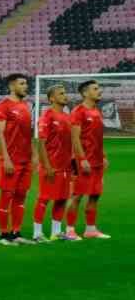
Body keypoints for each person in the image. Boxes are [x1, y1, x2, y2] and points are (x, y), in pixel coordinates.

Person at [0, 73, 34, 245]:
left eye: (26, 83)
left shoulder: (25, 105)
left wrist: (34, 154)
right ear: (11, 86)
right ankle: (3, 234)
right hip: (11, 159)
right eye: (22, 83)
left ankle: (16, 232)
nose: (26, 86)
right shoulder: (3, 106)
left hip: (26, 159)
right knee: (7, 195)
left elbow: (27, 134)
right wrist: (6, 158)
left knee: (21, 195)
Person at [67, 79, 110, 239]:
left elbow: (97, 138)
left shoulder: (97, 111)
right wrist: (82, 158)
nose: (100, 91)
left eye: (99, 88)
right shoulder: (78, 111)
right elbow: (75, 138)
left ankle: (90, 230)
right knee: (77, 195)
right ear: (85, 93)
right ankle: (69, 230)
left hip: (97, 161)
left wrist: (103, 156)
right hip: (82, 161)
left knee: (95, 194)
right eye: (96, 88)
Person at [32, 84, 75, 242]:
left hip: (65, 166)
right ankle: (37, 234)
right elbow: (41, 143)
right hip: (51, 167)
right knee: (44, 198)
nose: (65, 95)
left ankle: (56, 232)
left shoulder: (66, 117)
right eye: (61, 93)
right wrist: (47, 165)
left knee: (62, 198)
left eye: (65, 93)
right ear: (51, 98)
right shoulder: (47, 117)